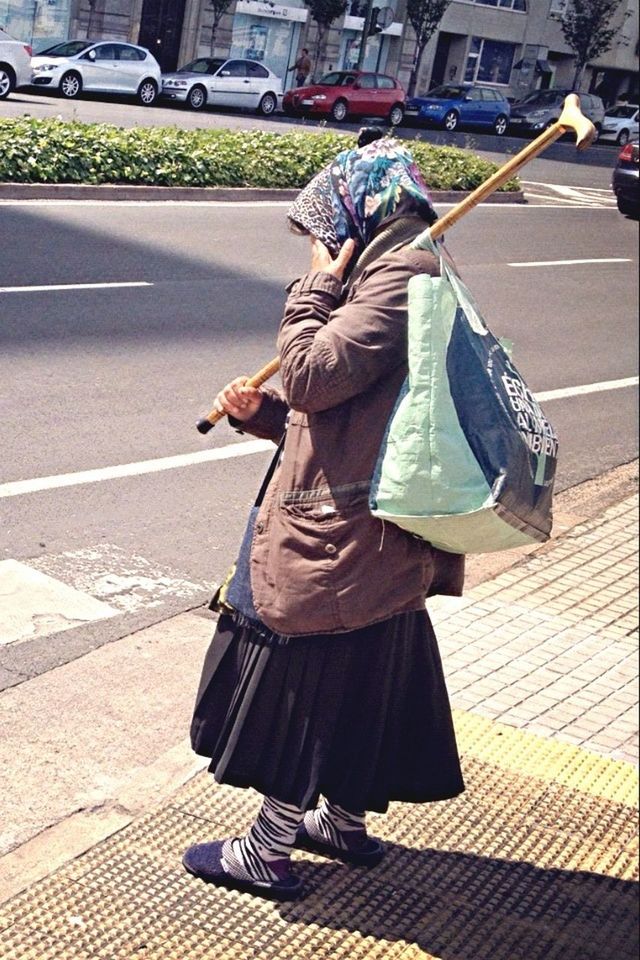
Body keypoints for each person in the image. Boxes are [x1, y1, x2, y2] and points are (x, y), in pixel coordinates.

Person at [182, 138, 465, 902]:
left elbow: (311, 372)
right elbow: (351, 410)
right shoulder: (398, 267)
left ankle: (268, 849)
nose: (322, 247)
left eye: (323, 231)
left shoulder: (404, 273)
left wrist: (312, 288)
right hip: (368, 519)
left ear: (355, 213)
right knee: (370, 668)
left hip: (350, 530)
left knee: (308, 676)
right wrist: (264, 414)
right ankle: (339, 821)